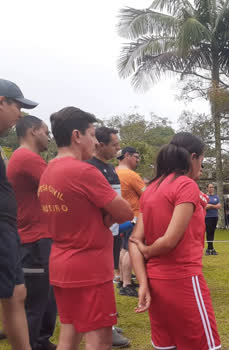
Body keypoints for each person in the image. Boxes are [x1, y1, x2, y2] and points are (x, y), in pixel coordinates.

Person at [38, 107, 133, 349]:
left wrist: (103, 216)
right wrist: (107, 216)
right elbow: (125, 212)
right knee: (99, 337)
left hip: (61, 263)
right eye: (92, 135)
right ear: (76, 135)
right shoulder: (84, 172)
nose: (95, 141)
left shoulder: (49, 170)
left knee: (70, 332)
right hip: (88, 266)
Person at [129, 132, 221, 350]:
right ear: (193, 157)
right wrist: (149, 251)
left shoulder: (150, 189)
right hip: (184, 281)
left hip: (155, 283)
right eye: (202, 161)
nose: (201, 167)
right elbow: (169, 240)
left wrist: (142, 283)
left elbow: (134, 241)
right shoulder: (185, 185)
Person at [7, 115, 57, 350]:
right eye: (45, 131)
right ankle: (33, 343)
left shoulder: (24, 157)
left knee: (45, 296)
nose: (48, 136)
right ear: (33, 131)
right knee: (35, 301)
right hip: (34, 239)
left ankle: (40, 341)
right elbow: (59, 185)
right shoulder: (28, 158)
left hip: (37, 236)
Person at [0, 78, 38, 350]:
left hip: (9, 231)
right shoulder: (25, 157)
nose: (20, 115)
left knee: (16, 293)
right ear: (1, 102)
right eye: (17, 106)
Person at [86, 126, 131, 348]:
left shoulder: (110, 168)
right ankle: (104, 327)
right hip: (100, 233)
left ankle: (108, 323)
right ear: (100, 144)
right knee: (100, 281)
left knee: (109, 277)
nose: (118, 148)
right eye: (114, 145)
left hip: (113, 231)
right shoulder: (90, 167)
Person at [116, 146, 145, 297]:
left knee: (123, 249)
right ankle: (127, 284)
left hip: (119, 218)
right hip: (133, 217)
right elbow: (146, 194)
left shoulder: (115, 172)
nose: (138, 160)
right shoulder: (131, 175)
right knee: (129, 250)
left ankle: (122, 279)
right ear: (127, 156)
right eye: (136, 157)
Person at [205, 184, 221, 256]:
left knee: (212, 232)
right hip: (207, 217)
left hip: (215, 216)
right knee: (208, 232)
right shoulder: (205, 196)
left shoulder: (216, 197)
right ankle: (210, 249)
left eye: (212, 187)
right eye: (210, 187)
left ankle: (210, 248)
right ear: (207, 188)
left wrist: (211, 206)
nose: (211, 189)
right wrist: (214, 206)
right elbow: (205, 206)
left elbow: (219, 206)